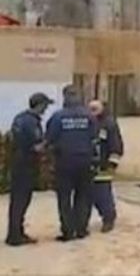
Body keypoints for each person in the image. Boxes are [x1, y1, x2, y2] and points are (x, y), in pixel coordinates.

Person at [45, 85, 98, 242]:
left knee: (64, 197)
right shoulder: (89, 116)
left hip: (64, 161)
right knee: (83, 196)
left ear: (65, 97)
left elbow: (50, 138)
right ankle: (81, 229)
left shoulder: (58, 117)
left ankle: (68, 231)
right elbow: (94, 138)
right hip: (85, 160)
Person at [5, 93, 53, 246]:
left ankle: (14, 232)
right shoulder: (32, 122)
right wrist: (49, 143)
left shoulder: (19, 118)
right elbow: (36, 147)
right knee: (22, 201)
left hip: (16, 163)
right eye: (45, 105)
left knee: (16, 201)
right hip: (26, 165)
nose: (46, 109)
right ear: (39, 105)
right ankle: (15, 236)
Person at [88, 100, 123, 233]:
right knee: (89, 194)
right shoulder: (88, 122)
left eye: (95, 109)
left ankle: (108, 219)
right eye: (90, 108)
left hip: (104, 165)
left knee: (103, 194)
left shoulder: (109, 124)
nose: (92, 111)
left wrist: (112, 164)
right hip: (89, 165)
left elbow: (116, 145)